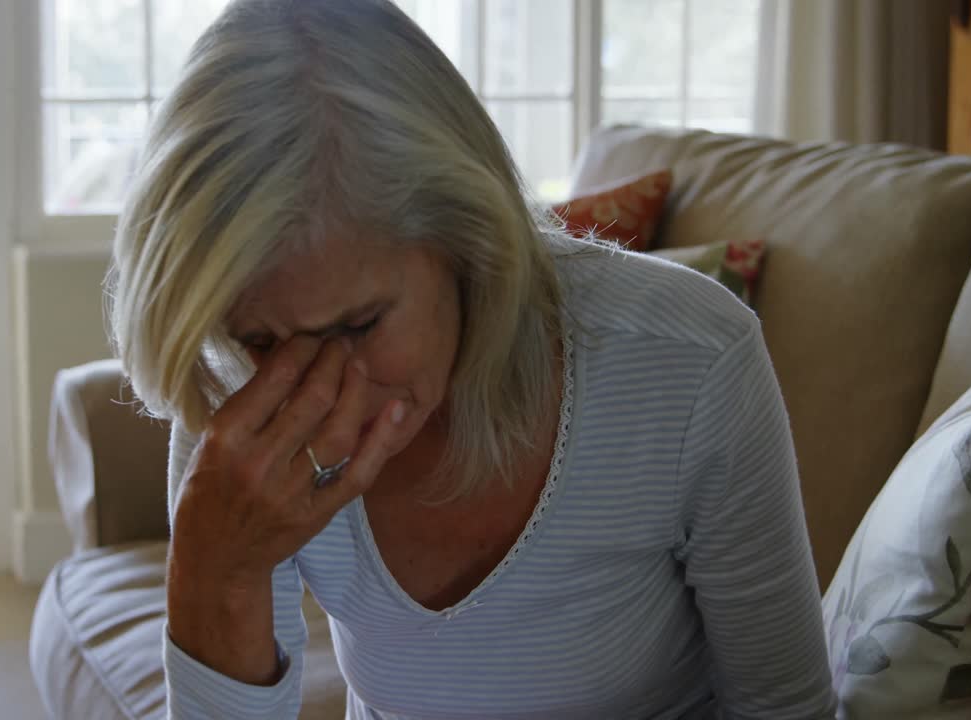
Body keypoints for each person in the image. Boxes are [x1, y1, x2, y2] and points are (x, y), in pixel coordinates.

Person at [107, 0, 838, 717]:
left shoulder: (694, 362)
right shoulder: (239, 408)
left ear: (470, 245)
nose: (326, 394)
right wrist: (215, 574)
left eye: (361, 325)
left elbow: (785, 706)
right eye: (262, 341)